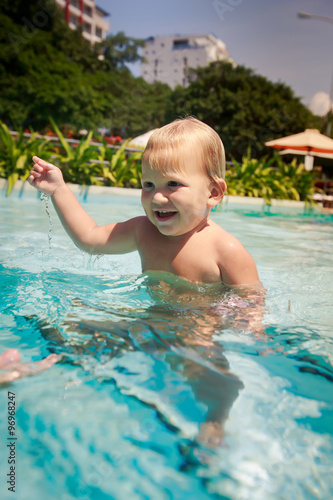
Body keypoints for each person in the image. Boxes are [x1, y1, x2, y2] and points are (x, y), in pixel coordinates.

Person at [28, 117, 260, 287]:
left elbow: (251, 305)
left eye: (173, 184)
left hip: (198, 337)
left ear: (213, 193)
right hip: (148, 325)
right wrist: (58, 190)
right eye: (148, 185)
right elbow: (89, 239)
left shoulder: (225, 250)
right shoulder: (143, 231)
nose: (157, 197)